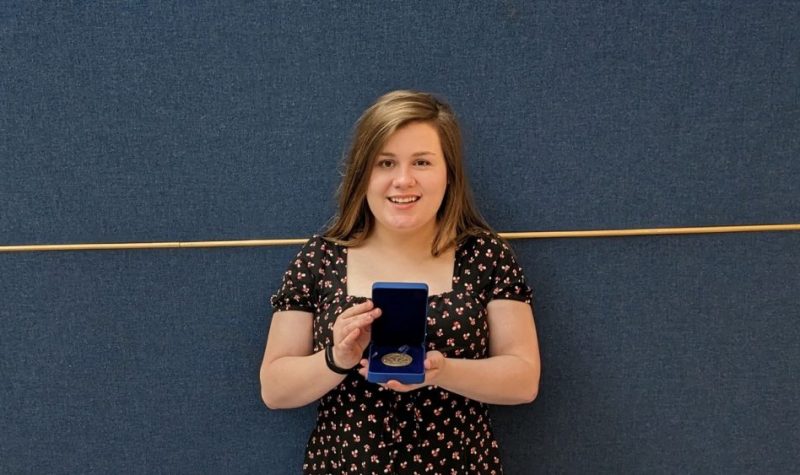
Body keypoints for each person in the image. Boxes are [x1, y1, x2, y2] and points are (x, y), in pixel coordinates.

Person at [260, 90, 540, 474]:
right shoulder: (320, 258)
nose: (403, 180)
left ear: (449, 172)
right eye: (385, 163)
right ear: (362, 173)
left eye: (422, 162)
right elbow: (274, 389)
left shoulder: (485, 255)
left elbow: (524, 379)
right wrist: (336, 358)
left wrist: (443, 371)